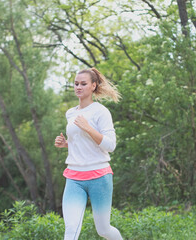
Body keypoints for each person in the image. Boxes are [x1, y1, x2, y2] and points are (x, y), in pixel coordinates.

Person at [55, 67, 123, 240]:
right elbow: (81, 143)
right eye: (76, 84)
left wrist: (88, 128)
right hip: (74, 177)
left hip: (99, 176)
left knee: (104, 230)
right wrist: (67, 144)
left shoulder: (101, 112)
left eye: (83, 84)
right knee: (71, 229)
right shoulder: (71, 113)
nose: (78, 87)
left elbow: (110, 145)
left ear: (93, 86)